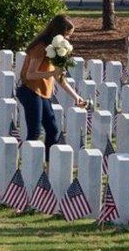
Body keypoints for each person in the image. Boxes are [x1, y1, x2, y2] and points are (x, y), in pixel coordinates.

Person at [18, 15, 86, 152]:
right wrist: (51, 74)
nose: (68, 39)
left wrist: (76, 97)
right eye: (67, 35)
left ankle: (50, 164)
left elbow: (59, 77)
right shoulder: (40, 47)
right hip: (30, 90)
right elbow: (29, 74)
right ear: (58, 33)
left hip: (43, 92)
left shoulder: (55, 50)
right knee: (35, 131)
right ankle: (28, 165)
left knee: (52, 129)